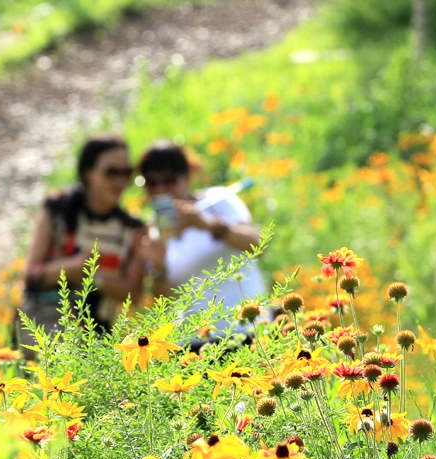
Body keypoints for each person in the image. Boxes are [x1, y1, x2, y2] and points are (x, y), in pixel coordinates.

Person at [18, 135, 149, 350]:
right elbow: (31, 275)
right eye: (111, 172)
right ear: (87, 173)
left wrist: (93, 277)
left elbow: (133, 294)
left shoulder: (132, 229)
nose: (120, 181)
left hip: (98, 341)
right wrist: (74, 267)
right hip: (45, 336)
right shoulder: (56, 211)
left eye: (126, 173)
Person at [137, 142, 266, 349]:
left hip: (247, 332)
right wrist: (159, 268)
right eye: (151, 183)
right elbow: (164, 302)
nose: (160, 190)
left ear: (187, 177)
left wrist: (206, 224)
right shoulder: (154, 234)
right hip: (196, 345)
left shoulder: (217, 201)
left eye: (169, 180)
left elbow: (258, 245)